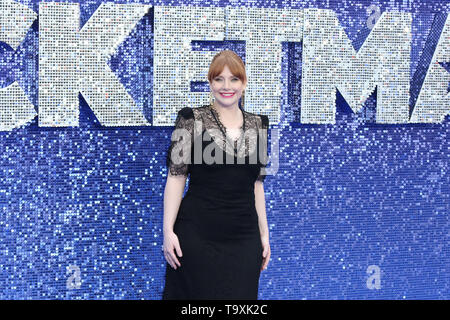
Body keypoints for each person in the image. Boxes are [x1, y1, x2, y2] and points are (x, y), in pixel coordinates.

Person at [162, 49, 271, 300]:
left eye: (234, 79)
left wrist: (264, 234)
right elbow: (176, 178)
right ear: (210, 83)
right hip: (196, 236)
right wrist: (168, 231)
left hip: (244, 238)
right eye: (218, 79)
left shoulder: (260, 125)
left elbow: (257, 185)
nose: (226, 86)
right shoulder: (189, 120)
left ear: (244, 83)